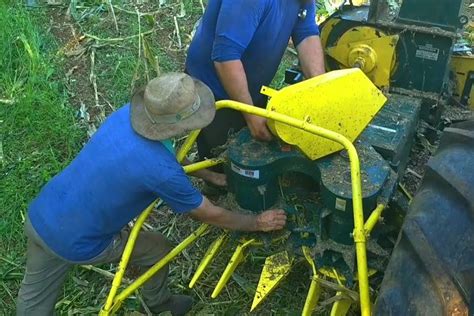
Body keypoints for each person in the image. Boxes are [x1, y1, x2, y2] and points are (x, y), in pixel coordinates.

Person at [16, 73, 287, 316]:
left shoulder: (125, 116)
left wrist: (208, 175)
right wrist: (257, 223)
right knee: (158, 249)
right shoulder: (160, 170)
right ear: (180, 127)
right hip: (79, 243)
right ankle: (160, 304)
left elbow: (151, 162)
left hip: (42, 214)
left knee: (34, 298)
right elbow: (205, 213)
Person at [186, 0, 325, 160]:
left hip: (251, 84)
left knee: (260, 154)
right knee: (224, 161)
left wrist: (320, 91)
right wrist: (250, 115)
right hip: (212, 89)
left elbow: (306, 34)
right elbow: (225, 58)